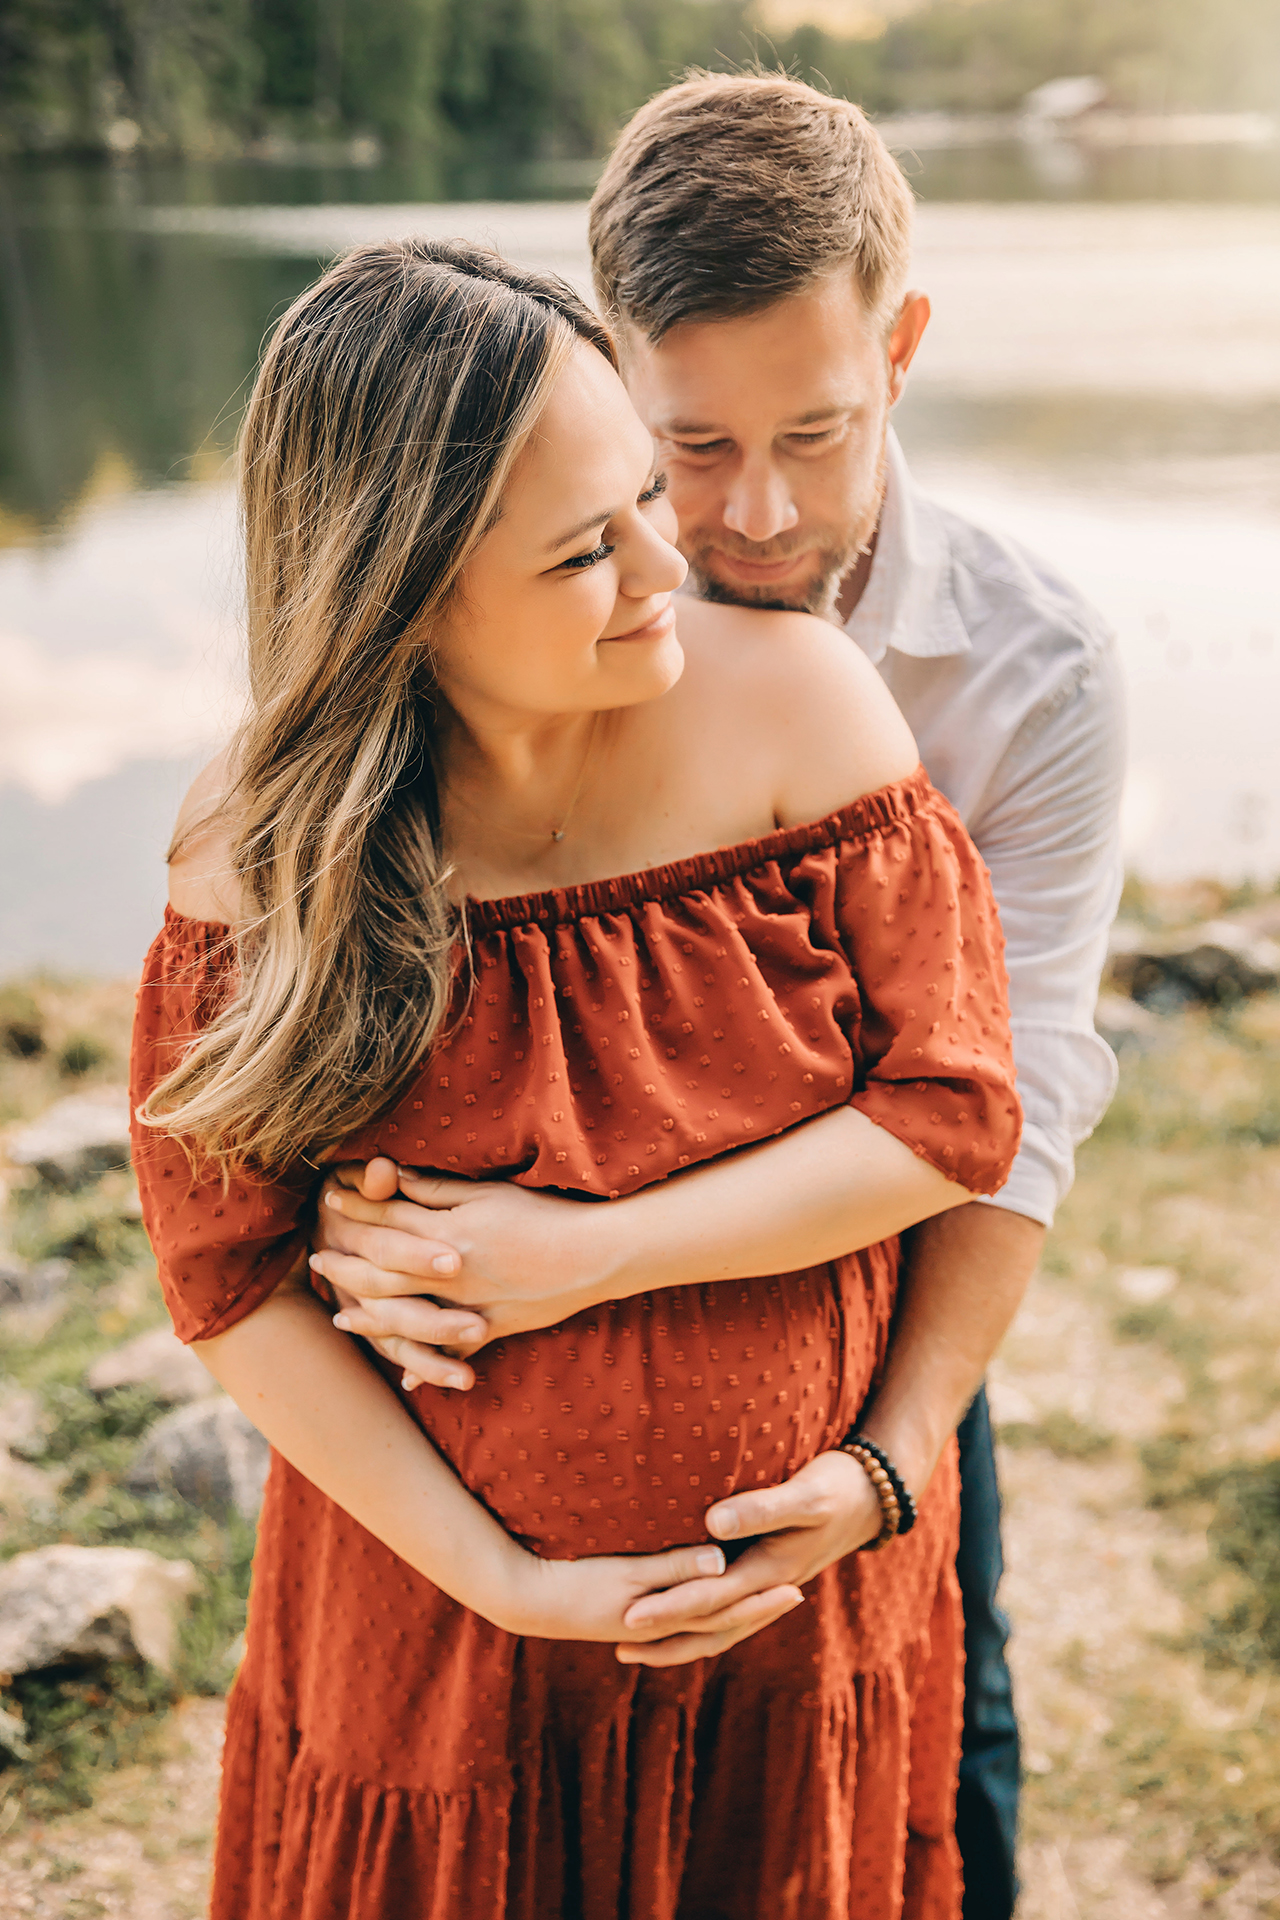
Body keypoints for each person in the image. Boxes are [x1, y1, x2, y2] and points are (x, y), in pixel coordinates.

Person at [310, 74, 1126, 1920]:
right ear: (606, 372)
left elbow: (1012, 1106)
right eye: (689, 447)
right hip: (478, 1425)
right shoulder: (509, 595)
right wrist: (365, 1228)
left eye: (819, 433)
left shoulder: (1030, 674)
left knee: (947, 1735)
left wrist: (900, 1456)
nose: (752, 516)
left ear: (902, 348)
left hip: (876, 1317)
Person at [130, 236, 1021, 1918]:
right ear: (402, 594)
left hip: (791, 1628)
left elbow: (955, 1109)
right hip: (439, 1649)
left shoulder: (803, 716)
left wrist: (586, 1255)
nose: (663, 566)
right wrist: (502, 1579)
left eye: (640, 496)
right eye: (578, 553)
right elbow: (229, 1278)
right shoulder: (262, 852)